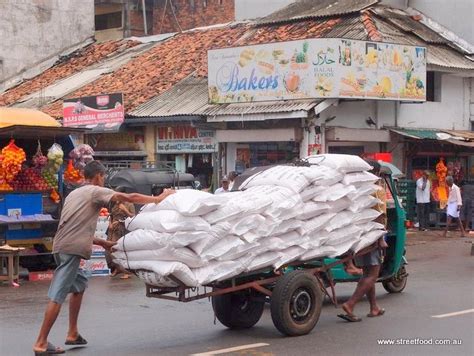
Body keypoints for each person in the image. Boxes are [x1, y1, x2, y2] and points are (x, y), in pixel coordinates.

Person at [33, 161, 175, 355]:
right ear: (99, 176)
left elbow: (75, 228)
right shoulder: (94, 191)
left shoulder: (75, 193)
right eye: (104, 177)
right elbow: (128, 197)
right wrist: (158, 198)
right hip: (71, 249)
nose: (104, 181)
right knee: (57, 294)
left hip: (61, 247)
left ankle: (72, 333)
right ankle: (41, 342)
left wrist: (104, 243)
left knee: (80, 284)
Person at [338, 161, 387, 322]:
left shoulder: (358, 190)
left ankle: (374, 307)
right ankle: (350, 304)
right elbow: (379, 214)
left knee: (367, 273)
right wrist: (380, 238)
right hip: (373, 235)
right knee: (373, 274)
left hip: (360, 236)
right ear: (377, 173)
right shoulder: (376, 189)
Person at [105, 186, 136, 279]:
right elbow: (111, 215)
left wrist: (124, 210)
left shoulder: (129, 204)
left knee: (118, 250)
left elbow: (132, 216)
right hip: (112, 230)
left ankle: (126, 271)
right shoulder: (114, 203)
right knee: (108, 250)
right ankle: (116, 268)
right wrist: (110, 223)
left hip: (122, 230)